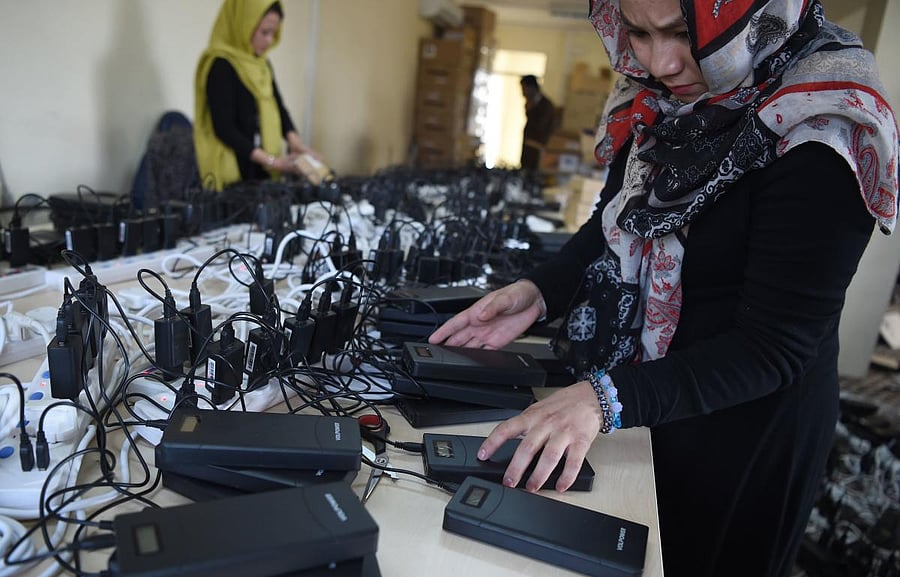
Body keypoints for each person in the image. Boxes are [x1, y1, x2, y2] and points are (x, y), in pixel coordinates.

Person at [429, 1, 899, 576]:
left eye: (683, 34)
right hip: (640, 397)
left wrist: (608, 399)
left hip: (744, 426)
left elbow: (774, 345)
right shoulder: (653, 98)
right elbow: (613, 222)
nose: (660, 61)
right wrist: (540, 291)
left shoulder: (822, 126)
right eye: (639, 33)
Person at [193, 0, 321, 190]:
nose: (270, 40)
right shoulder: (220, 66)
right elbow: (224, 129)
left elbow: (279, 107)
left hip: (261, 170)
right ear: (244, 24)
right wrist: (273, 162)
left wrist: (296, 143)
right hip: (233, 176)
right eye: (264, 32)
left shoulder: (261, 65)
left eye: (274, 33)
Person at [519, 74, 557, 171]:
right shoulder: (529, 103)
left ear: (532, 87)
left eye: (524, 88)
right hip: (527, 149)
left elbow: (540, 127)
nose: (523, 92)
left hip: (539, 151)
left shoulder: (546, 106)